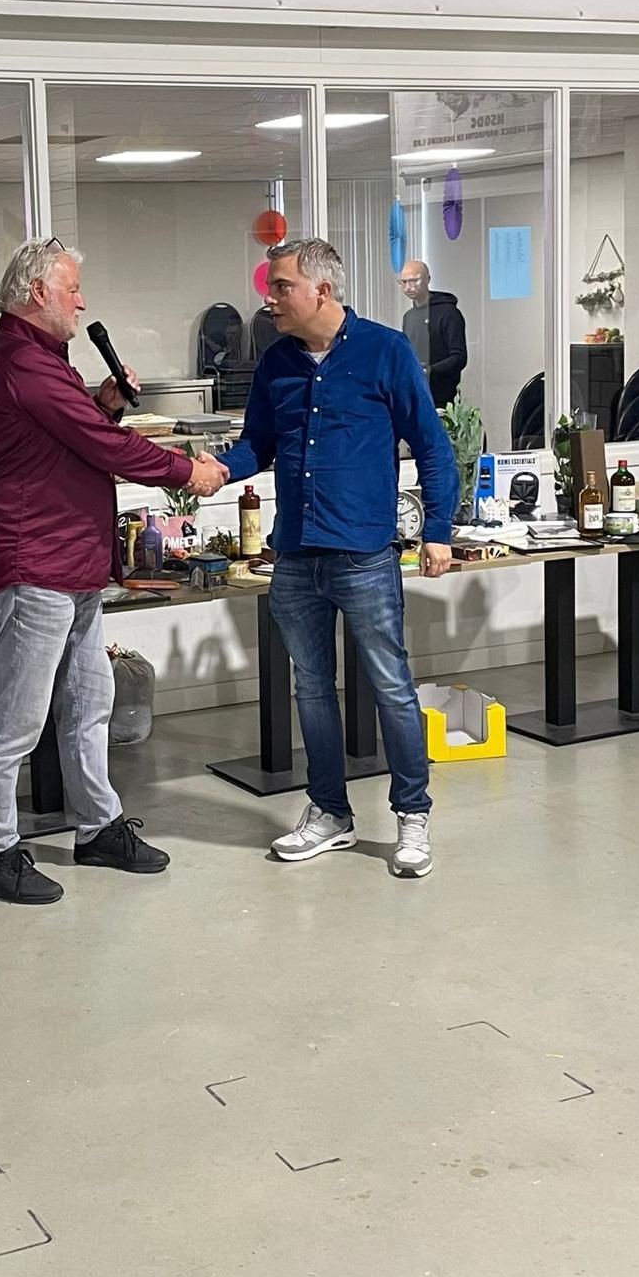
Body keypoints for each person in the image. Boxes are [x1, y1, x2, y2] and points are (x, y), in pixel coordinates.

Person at [0, 239, 226, 905]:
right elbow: (104, 446)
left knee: (90, 702)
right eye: (72, 288)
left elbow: (70, 439)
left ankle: (98, 827)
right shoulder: (21, 359)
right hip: (32, 567)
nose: (82, 302)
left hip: (70, 564)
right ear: (36, 293)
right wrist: (187, 472)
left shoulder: (43, 359)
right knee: (16, 721)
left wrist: (102, 403)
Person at [217, 239, 458, 878]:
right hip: (296, 555)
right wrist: (214, 470)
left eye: (281, 287)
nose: (269, 299)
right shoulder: (275, 363)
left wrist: (438, 530)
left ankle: (412, 817)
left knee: (390, 687)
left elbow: (433, 447)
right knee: (313, 690)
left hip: (364, 556)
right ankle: (330, 813)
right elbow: (257, 445)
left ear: (321, 290)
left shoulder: (386, 351)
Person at [398, 260, 468, 408]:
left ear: (427, 279)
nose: (408, 287)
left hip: (442, 399)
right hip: (414, 394)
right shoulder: (408, 317)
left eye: (414, 281)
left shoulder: (449, 313)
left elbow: (459, 357)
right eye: (403, 282)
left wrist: (430, 371)